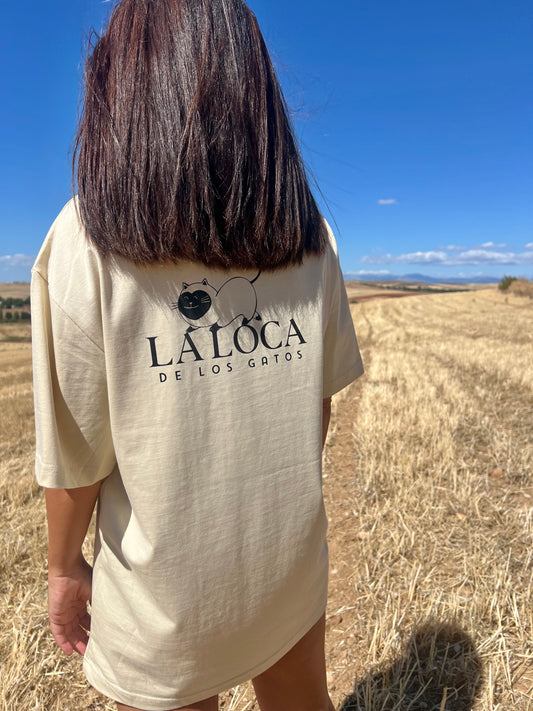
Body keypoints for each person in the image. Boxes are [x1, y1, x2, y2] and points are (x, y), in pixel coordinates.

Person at [31, 1, 364, 709]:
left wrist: (63, 568)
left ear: (123, 83)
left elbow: (75, 456)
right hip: (285, 567)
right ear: (254, 83)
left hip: (161, 604)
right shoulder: (308, 232)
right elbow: (316, 410)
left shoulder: (86, 239)